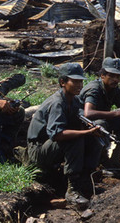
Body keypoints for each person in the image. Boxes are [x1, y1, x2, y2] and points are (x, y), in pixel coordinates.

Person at [27, 63, 103, 207]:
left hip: (51, 146)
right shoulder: (57, 102)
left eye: (81, 81)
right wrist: (85, 132)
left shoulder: (73, 100)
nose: (79, 85)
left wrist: (89, 128)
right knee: (75, 138)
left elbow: (76, 119)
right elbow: (57, 134)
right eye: (75, 81)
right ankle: (72, 190)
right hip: (38, 150)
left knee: (92, 138)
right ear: (62, 82)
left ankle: (85, 181)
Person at [79, 57, 120, 168]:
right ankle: (100, 162)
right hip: (83, 126)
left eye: (118, 76)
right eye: (111, 76)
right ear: (102, 76)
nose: (115, 79)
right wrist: (118, 114)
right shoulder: (94, 89)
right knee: (101, 124)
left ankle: (115, 159)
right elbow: (88, 113)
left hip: (100, 121)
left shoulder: (113, 89)